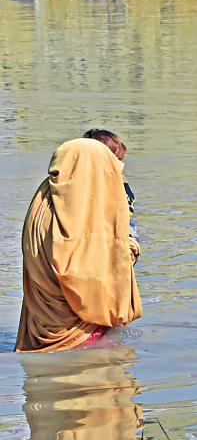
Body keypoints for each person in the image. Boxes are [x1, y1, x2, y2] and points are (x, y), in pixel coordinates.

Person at [15, 138, 142, 352]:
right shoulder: (88, 207)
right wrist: (130, 248)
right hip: (83, 333)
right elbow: (85, 271)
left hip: (42, 325)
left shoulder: (43, 202)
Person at [82, 128, 139, 249]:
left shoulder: (122, 180)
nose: (121, 165)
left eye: (122, 159)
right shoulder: (86, 184)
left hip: (125, 236)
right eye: (116, 160)